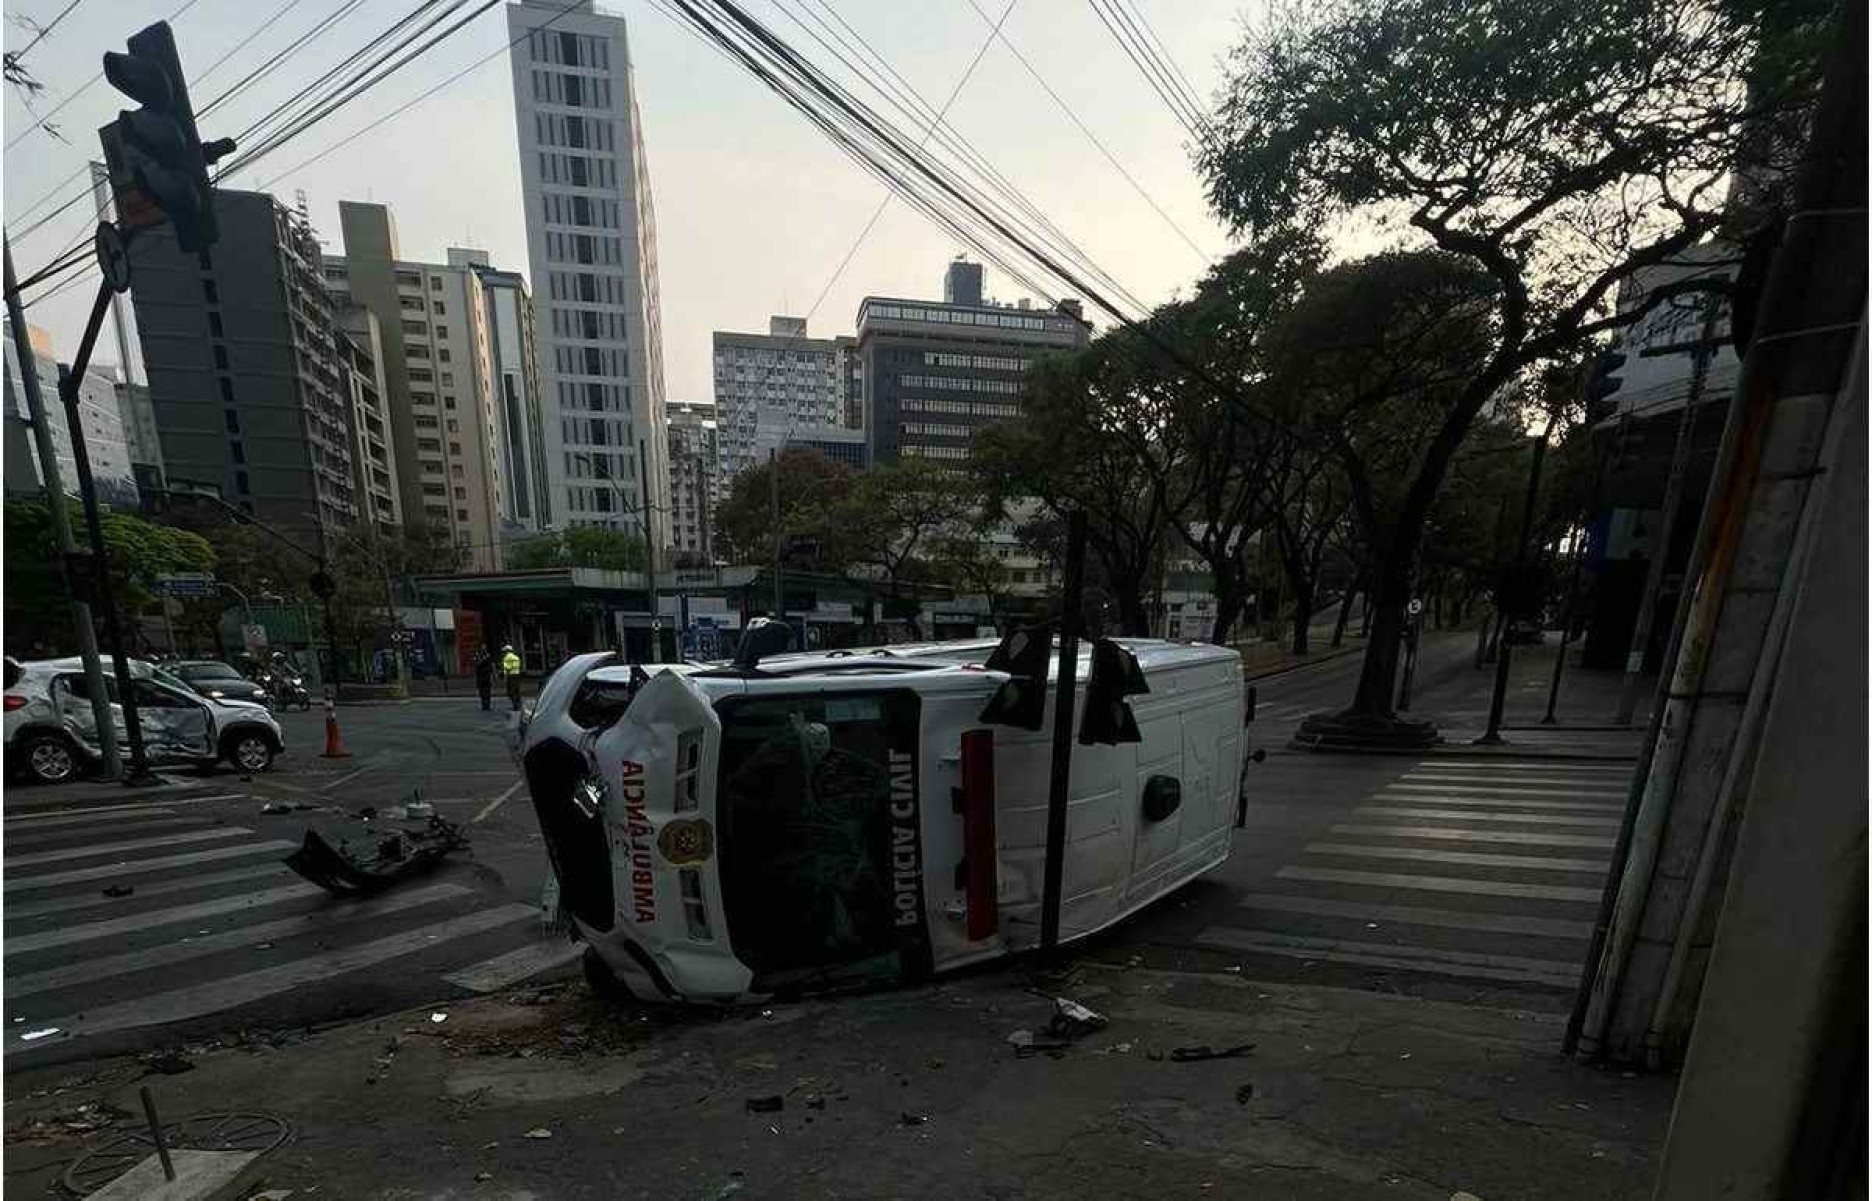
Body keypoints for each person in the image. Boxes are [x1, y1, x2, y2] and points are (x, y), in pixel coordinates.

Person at [500, 643, 524, 710]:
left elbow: (507, 667)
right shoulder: (516, 657)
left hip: (511, 675)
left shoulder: (507, 657)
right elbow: (518, 666)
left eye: (505, 651)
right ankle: (519, 704)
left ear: (507, 651)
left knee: (510, 691)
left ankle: (515, 705)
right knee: (517, 690)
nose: (504, 652)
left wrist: (504, 676)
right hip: (517, 675)